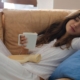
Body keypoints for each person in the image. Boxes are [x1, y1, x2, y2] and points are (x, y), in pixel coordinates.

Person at [0, 10, 80, 80]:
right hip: (21, 67)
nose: (76, 25)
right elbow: (26, 58)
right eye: (76, 20)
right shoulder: (50, 35)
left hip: (32, 76)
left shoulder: (75, 43)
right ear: (70, 18)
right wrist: (25, 48)